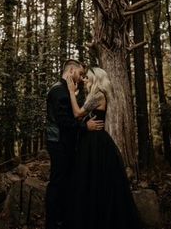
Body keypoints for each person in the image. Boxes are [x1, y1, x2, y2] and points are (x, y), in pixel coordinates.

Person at [66, 66, 143, 229]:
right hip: (91, 140)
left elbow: (77, 113)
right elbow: (83, 116)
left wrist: (71, 92)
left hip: (96, 142)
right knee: (91, 179)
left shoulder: (98, 94)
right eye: (84, 77)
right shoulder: (93, 95)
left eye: (87, 77)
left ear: (95, 78)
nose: (84, 79)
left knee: (96, 179)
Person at [45, 60, 104, 229]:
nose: (81, 77)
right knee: (57, 182)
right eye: (79, 73)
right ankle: (52, 222)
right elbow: (64, 122)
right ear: (71, 71)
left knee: (66, 181)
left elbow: (76, 113)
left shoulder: (65, 90)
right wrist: (84, 126)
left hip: (65, 143)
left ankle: (63, 218)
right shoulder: (58, 91)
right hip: (59, 143)